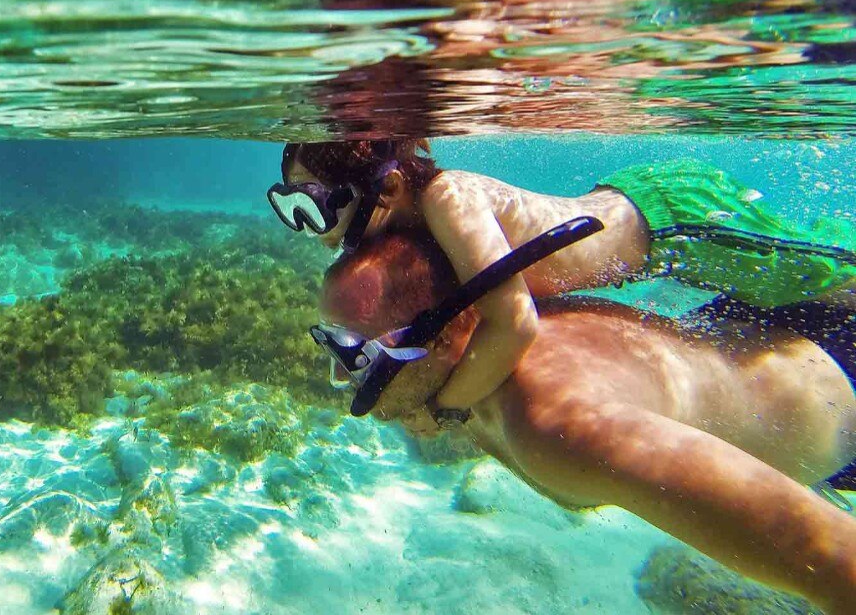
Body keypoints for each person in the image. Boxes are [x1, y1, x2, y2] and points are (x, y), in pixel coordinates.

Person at [318, 228, 856, 614]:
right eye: (331, 344)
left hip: (836, 384)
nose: (342, 380)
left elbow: (830, 555)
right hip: (756, 335)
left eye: (354, 355)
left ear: (441, 336)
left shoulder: (559, 423)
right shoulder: (472, 359)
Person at [268, 139, 856, 423]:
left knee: (826, 272)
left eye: (316, 204)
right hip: (642, 212)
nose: (310, 228)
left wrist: (445, 409)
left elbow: (514, 322)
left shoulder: (448, 199)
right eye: (289, 205)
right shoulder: (404, 224)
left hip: (680, 220)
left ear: (390, 187)